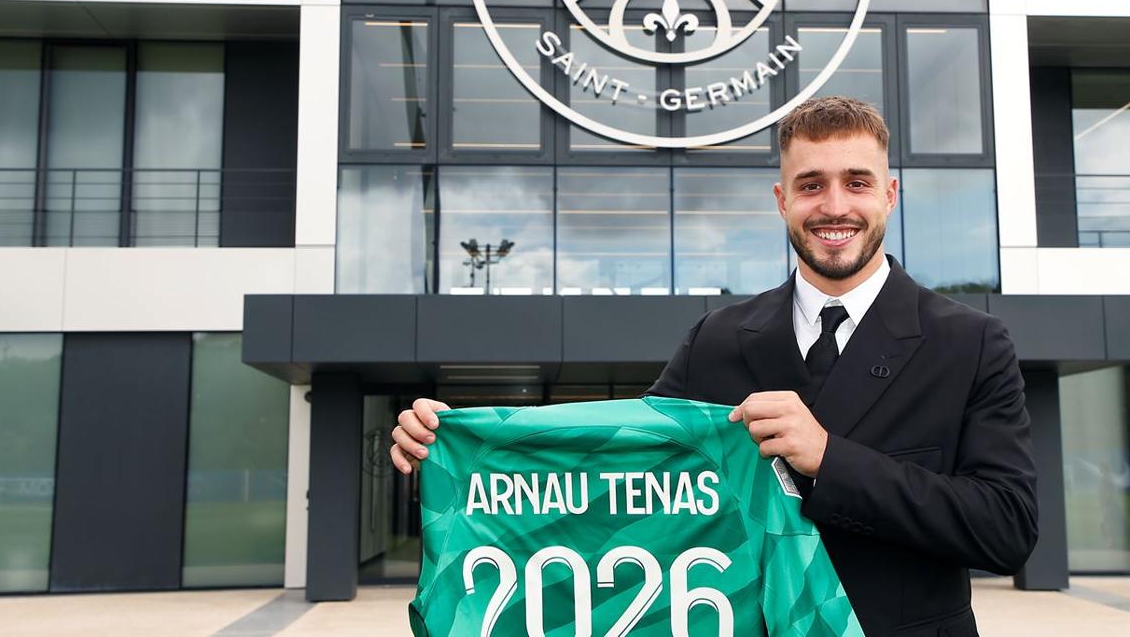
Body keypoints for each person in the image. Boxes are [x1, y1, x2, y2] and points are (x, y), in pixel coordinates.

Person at [390, 96, 1038, 637]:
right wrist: (468, 450)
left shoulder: (972, 343)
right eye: (811, 185)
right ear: (782, 200)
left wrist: (829, 458)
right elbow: (616, 478)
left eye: (857, 182)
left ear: (890, 195)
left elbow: (1007, 528)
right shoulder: (716, 340)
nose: (834, 206)